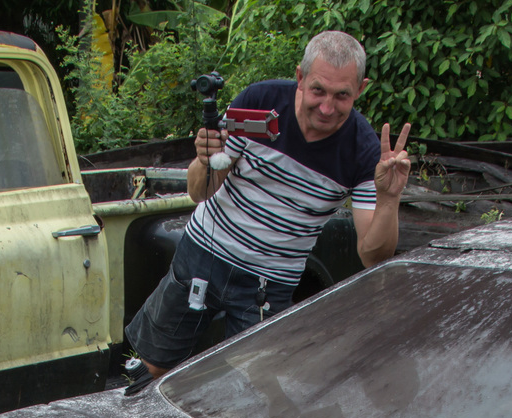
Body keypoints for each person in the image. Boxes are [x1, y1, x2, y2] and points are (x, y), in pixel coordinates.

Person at [123, 30, 412, 389]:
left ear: (361, 90)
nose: (327, 107)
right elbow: (200, 192)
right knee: (151, 369)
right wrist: (204, 159)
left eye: (342, 96)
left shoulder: (364, 150)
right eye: (318, 90)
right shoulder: (258, 101)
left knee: (261, 396)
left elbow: (373, 255)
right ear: (300, 77)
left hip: (270, 282)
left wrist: (388, 198)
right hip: (202, 255)